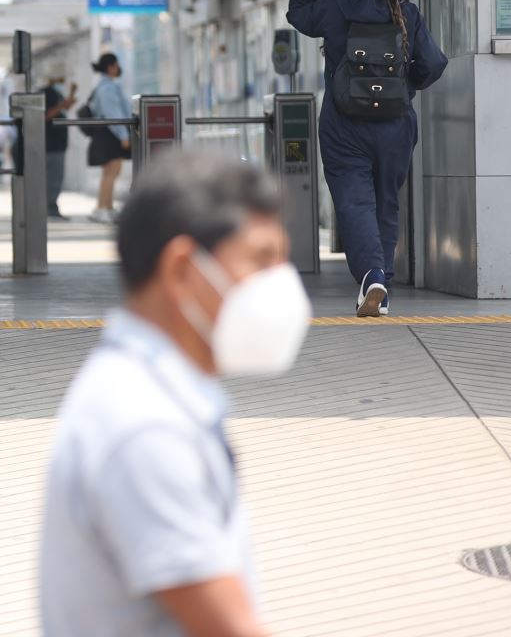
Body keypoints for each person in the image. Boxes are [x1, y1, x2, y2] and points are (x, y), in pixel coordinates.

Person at [38, 152, 309, 637]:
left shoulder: (144, 389)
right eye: (262, 259)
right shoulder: (145, 427)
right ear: (183, 270)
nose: (281, 285)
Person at [287, 0, 446, 317]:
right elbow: (434, 63)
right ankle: (380, 282)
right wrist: (404, 89)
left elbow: (296, 11)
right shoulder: (404, 11)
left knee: (355, 202)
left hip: (344, 124)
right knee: (386, 202)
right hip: (394, 124)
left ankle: (372, 275)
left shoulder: (332, 8)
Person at [86, 53, 131, 224]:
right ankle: (103, 208)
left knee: (110, 173)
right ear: (111, 67)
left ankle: (106, 207)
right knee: (111, 173)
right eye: (116, 65)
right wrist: (123, 135)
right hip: (110, 134)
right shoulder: (107, 88)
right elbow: (113, 114)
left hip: (108, 133)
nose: (118, 68)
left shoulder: (106, 86)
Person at [43, 72, 79, 219]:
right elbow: (46, 115)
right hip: (50, 144)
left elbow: (65, 107)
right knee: (52, 178)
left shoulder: (56, 92)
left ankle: (51, 206)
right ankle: (49, 207)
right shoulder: (45, 93)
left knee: (56, 177)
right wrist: (62, 105)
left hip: (58, 144)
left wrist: (72, 93)